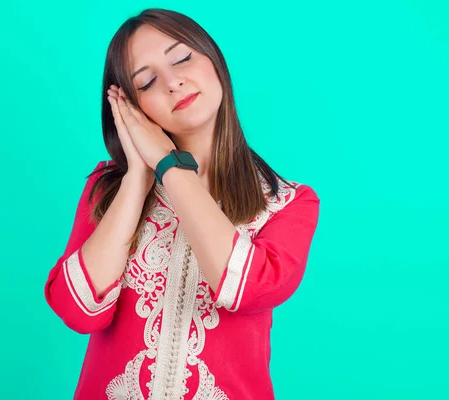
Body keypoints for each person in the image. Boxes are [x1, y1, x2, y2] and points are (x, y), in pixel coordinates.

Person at [44, 8, 320, 400]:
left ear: (214, 60)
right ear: (134, 109)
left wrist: (169, 166)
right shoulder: (106, 189)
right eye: (148, 81)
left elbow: (246, 289)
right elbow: (78, 309)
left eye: (182, 58)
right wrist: (139, 177)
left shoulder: (287, 202)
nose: (173, 82)